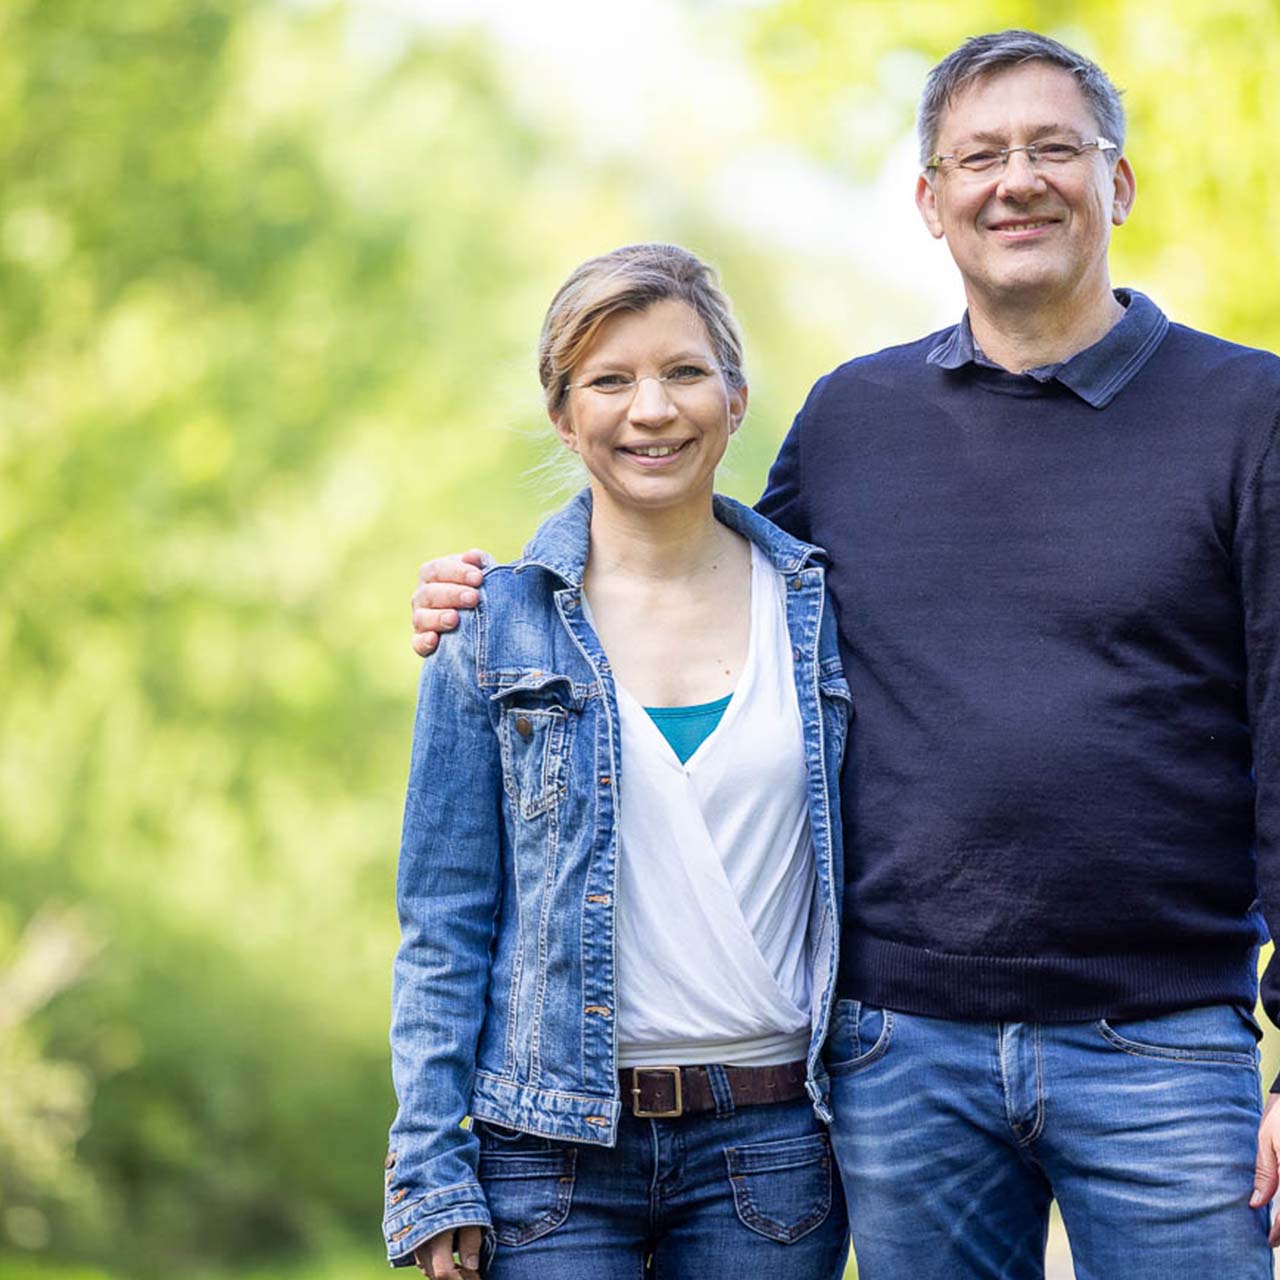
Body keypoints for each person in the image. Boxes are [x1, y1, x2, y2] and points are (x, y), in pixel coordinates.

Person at [410, 29, 1280, 1280]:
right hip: (898, 1049)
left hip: (1158, 1043)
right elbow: (686, 570)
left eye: (1052, 148)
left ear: (1117, 182)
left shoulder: (1245, 413)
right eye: (976, 156)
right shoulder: (854, 418)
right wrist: (497, 596)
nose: (1013, 180)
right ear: (930, 202)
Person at [384, 243, 853, 1279]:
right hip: (544, 1157)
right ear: (563, 413)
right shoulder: (488, 628)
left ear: (733, 398)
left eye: (683, 372)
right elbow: (443, 918)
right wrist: (429, 1167)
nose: (652, 409)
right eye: (609, 379)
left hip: (770, 1148)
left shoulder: (818, 612)